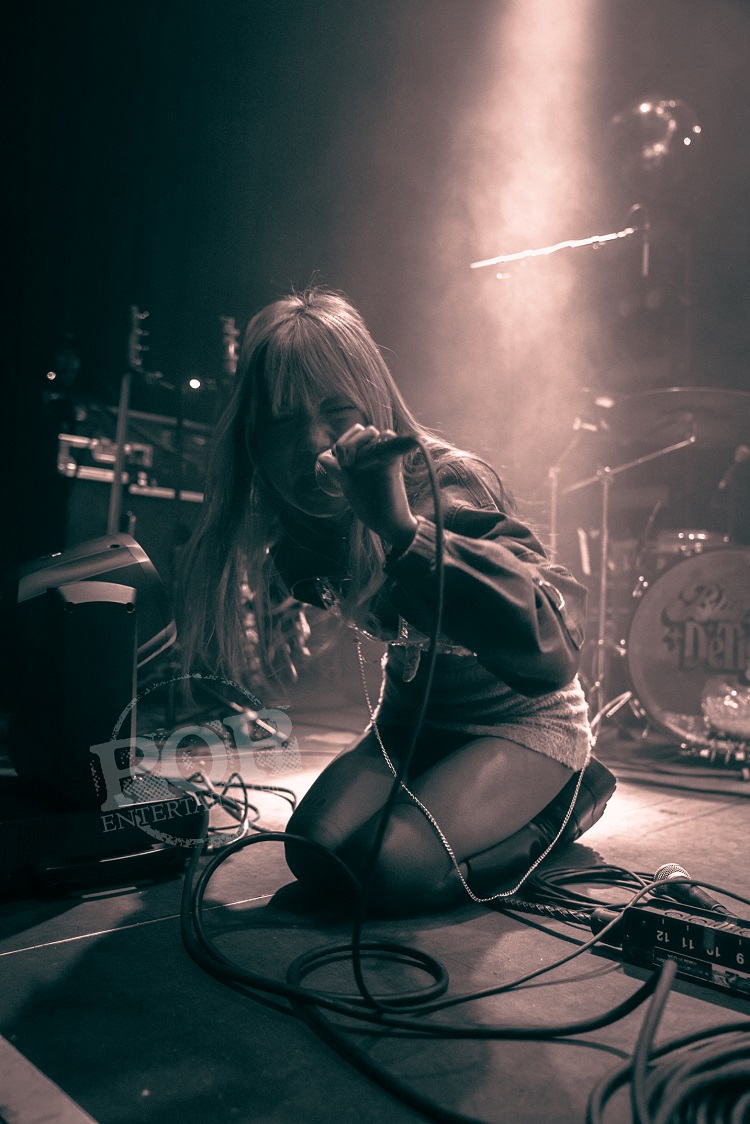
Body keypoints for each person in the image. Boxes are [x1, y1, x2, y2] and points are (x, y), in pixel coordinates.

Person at [181, 286, 616, 915]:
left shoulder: (449, 494)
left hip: (522, 726)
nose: (312, 442)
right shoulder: (302, 535)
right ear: (253, 436)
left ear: (375, 406)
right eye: (281, 422)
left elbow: (553, 648)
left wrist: (403, 532)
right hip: (409, 727)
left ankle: (565, 805)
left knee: (390, 870)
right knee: (313, 854)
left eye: (336, 411)